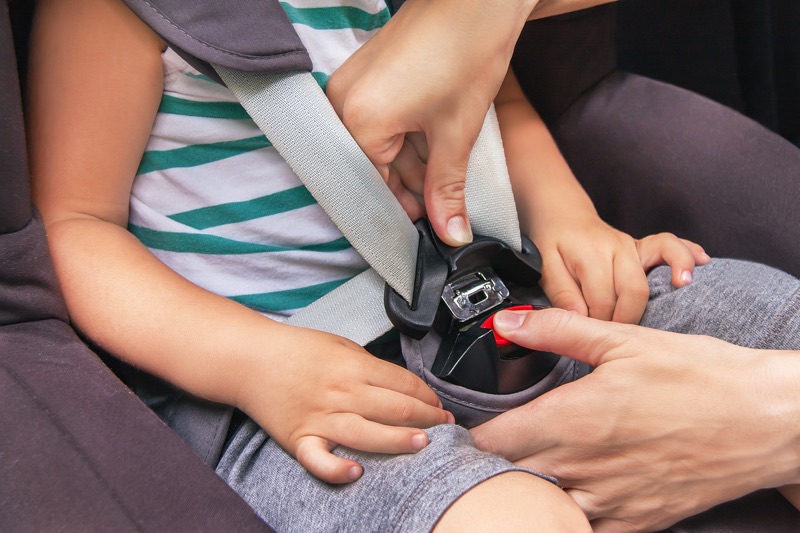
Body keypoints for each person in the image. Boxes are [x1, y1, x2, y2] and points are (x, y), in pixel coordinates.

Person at [27, 0, 683, 530]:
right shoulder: (122, 12)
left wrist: (569, 218)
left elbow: (497, 105)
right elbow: (76, 225)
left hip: (486, 302)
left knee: (765, 324)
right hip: (277, 384)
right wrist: (254, 362)